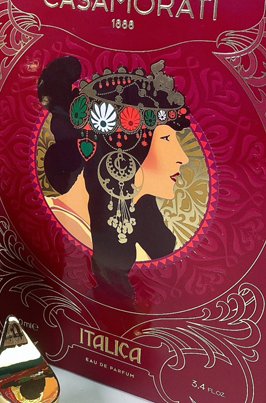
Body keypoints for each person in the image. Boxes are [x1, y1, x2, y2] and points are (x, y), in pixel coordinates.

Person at [38, 55, 189, 305]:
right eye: (166, 139)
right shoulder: (63, 224)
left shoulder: (140, 221)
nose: (183, 157)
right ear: (123, 154)